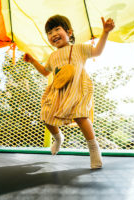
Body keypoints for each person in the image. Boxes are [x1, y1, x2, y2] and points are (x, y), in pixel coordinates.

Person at [23, 15, 115, 169]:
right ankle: (58, 138)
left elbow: (97, 51)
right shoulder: (52, 56)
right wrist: (33, 61)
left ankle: (94, 149)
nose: (53, 34)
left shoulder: (79, 48)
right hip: (59, 91)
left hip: (78, 88)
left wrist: (105, 32)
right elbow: (46, 72)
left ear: (69, 32)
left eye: (57, 29)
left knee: (80, 116)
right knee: (47, 117)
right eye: (50, 33)